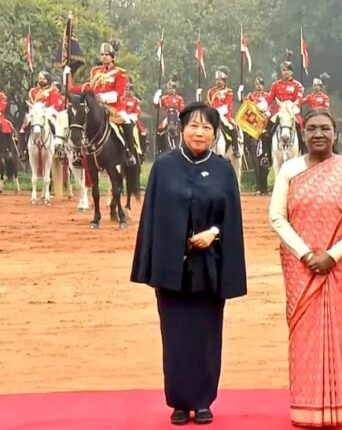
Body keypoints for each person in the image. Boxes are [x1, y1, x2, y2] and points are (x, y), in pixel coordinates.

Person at [131, 102, 247, 426]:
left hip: (210, 268)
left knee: (207, 337)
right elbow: (153, 217)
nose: (200, 132)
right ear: (182, 129)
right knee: (176, 338)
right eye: (194, 126)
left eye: (207, 127)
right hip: (172, 270)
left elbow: (231, 220)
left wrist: (213, 233)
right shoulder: (164, 167)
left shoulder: (224, 170)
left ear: (214, 133)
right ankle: (180, 402)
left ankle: (204, 400)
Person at [269, 108, 342, 428]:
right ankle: (304, 406)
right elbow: (277, 216)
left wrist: (332, 254)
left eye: (325, 129)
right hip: (299, 265)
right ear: (303, 134)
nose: (318, 134)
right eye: (312, 129)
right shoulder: (289, 170)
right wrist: (307, 254)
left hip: (340, 263)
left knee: (340, 331)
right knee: (303, 331)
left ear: (336, 133)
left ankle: (337, 403)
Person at [67, 41, 138, 167]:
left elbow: (119, 93)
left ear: (112, 57)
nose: (104, 57)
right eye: (102, 54)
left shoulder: (119, 73)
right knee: (80, 120)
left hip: (113, 107)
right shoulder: (95, 71)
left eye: (107, 54)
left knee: (126, 121)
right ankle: (79, 153)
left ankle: (129, 152)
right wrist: (68, 74)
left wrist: (103, 98)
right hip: (96, 106)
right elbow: (82, 88)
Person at [265, 61, 304, 151]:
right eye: (284, 70)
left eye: (288, 70)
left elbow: (299, 99)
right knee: (267, 129)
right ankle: (267, 154)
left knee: (302, 128)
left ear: (292, 72)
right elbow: (270, 98)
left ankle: (302, 151)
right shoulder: (276, 84)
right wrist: (264, 107)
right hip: (279, 110)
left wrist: (293, 105)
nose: (286, 72)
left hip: (292, 109)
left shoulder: (297, 85)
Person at [206, 66, 240, 158]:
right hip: (212, 115)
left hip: (224, 115)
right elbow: (208, 103)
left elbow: (227, 105)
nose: (218, 82)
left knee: (233, 130)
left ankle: (235, 148)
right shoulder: (211, 91)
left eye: (220, 80)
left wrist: (217, 111)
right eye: (217, 80)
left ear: (224, 81)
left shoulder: (229, 92)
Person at [121, 83, 145, 156]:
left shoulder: (135, 101)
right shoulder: (121, 99)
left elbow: (137, 111)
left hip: (132, 120)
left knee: (142, 132)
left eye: (129, 90)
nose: (127, 92)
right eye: (126, 90)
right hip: (121, 119)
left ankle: (140, 149)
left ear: (132, 91)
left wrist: (131, 117)